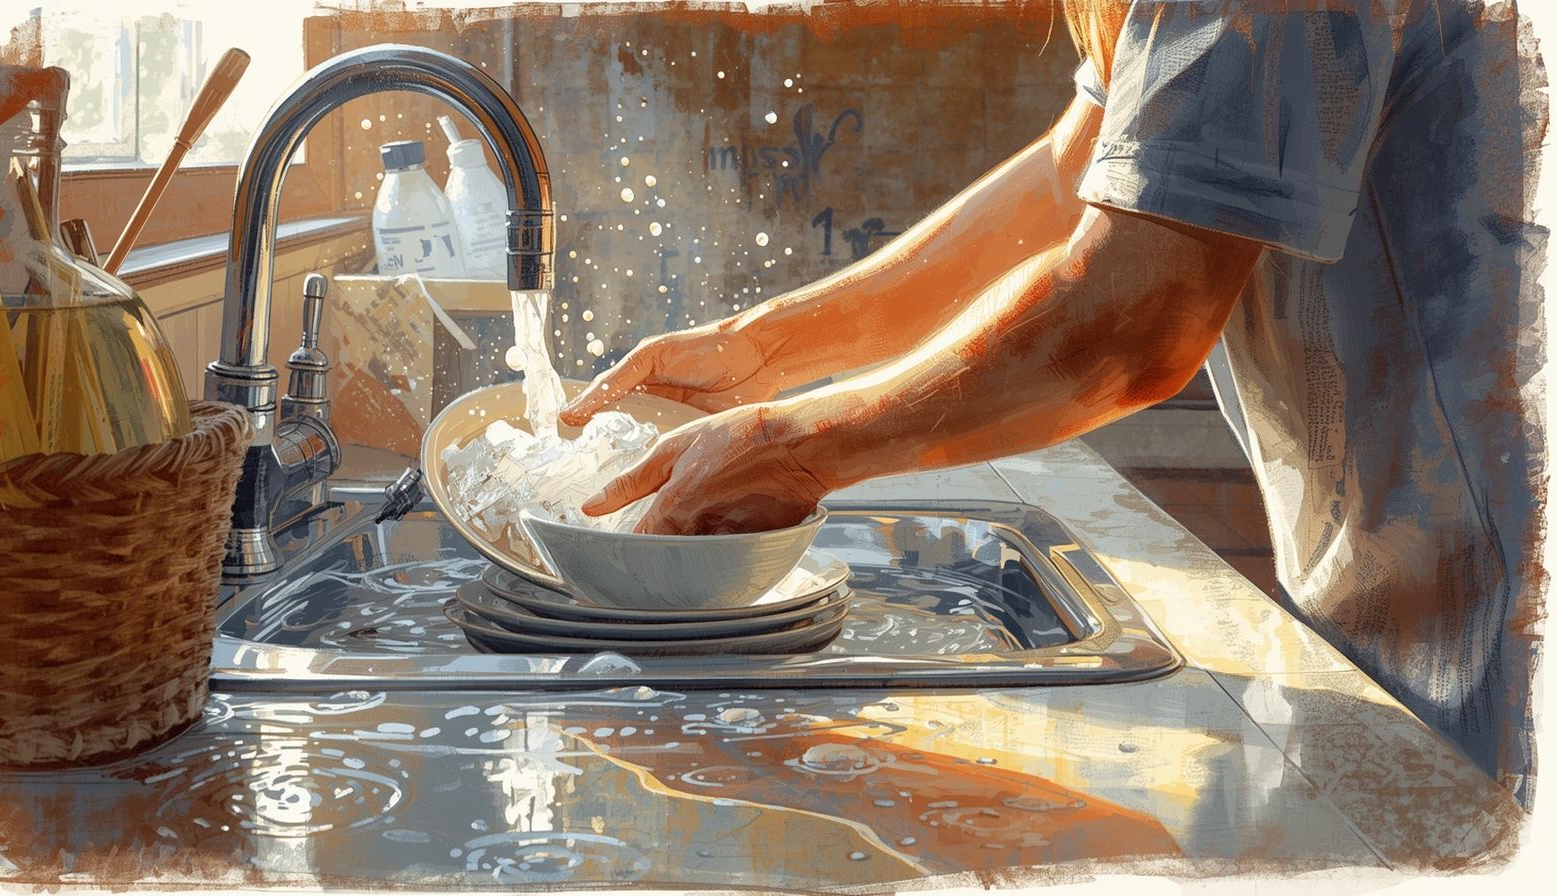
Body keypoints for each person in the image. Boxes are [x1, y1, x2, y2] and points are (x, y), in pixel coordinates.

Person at [560, 1, 1544, 802]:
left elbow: (1136, 314)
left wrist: (795, 445)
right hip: (1413, 630)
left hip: (1497, 674)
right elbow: (1075, 178)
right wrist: (765, 348)